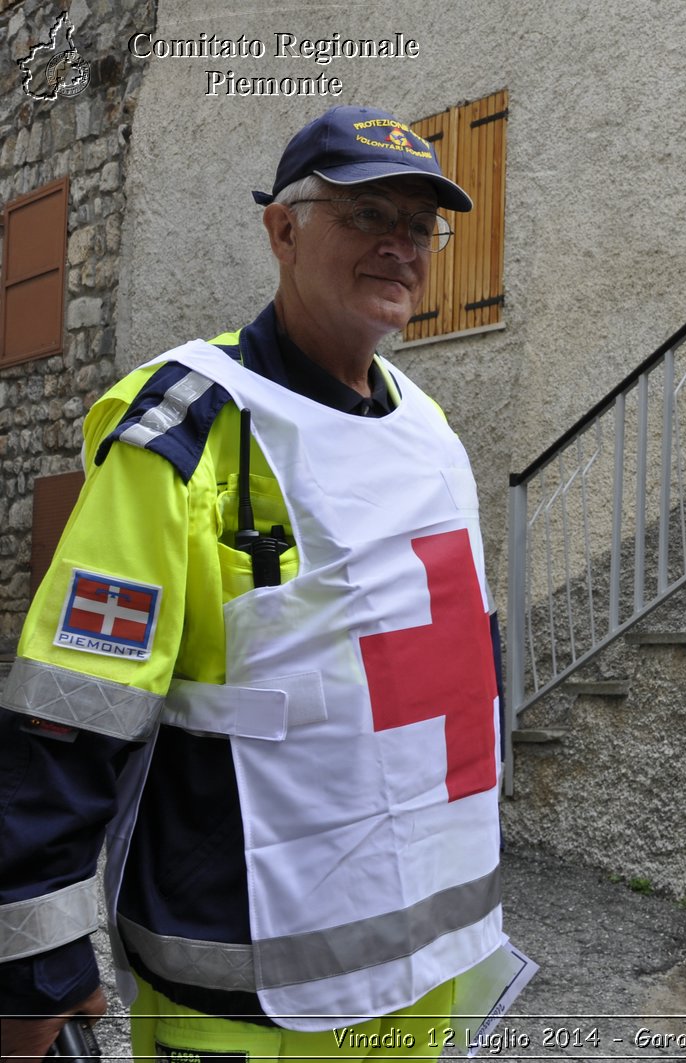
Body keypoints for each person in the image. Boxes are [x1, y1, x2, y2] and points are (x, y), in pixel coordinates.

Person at [0, 105, 514, 1061]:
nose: (400, 246)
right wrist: (32, 964)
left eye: (420, 226)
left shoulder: (432, 433)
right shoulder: (191, 427)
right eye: (367, 215)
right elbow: (71, 708)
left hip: (425, 971)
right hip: (240, 980)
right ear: (283, 229)